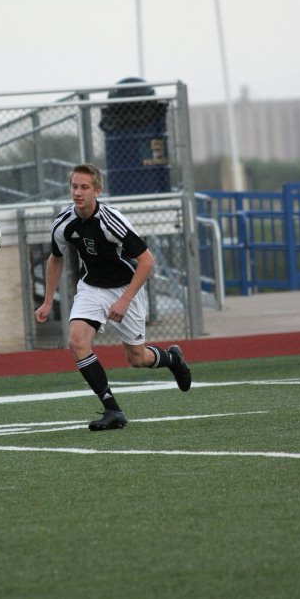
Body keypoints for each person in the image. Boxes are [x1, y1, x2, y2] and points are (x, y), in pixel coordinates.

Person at [34, 163, 191, 431]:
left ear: (97, 190)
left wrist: (125, 300)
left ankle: (172, 359)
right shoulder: (63, 223)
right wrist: (48, 300)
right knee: (77, 340)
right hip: (92, 288)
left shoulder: (111, 220)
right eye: (74, 186)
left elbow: (147, 261)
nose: (78, 193)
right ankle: (112, 409)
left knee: (137, 358)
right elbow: (56, 258)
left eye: (84, 187)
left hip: (124, 288)